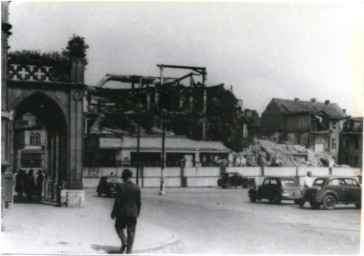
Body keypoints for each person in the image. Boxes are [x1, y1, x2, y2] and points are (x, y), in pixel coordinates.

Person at [111, 169, 141, 254]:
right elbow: (139, 202)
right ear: (131, 177)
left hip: (122, 213)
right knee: (131, 231)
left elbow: (118, 201)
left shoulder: (121, 187)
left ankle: (124, 241)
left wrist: (113, 212)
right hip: (133, 213)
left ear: (124, 177)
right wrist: (137, 213)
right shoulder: (137, 188)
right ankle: (129, 251)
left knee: (118, 227)